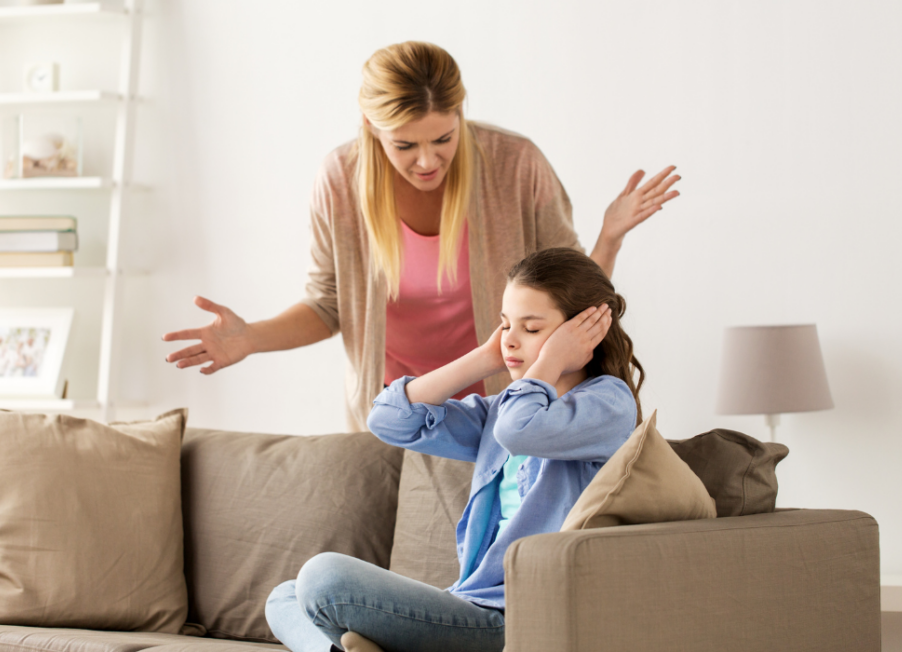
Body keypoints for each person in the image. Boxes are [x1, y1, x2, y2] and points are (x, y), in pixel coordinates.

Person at [162, 41, 677, 430]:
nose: (428, 160)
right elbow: (327, 306)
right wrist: (250, 337)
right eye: (405, 145)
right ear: (370, 125)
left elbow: (576, 301)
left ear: (460, 113)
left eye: (444, 138)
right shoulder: (340, 179)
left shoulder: (515, 165)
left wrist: (609, 238)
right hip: (400, 408)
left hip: (506, 405)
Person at [264, 247, 644, 652]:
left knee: (324, 578)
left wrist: (548, 361)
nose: (510, 341)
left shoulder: (608, 404)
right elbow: (389, 421)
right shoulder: (500, 411)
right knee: (285, 595)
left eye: (531, 329)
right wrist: (483, 358)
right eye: (504, 326)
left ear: (583, 333)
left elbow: (520, 431)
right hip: (469, 601)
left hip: (518, 618)